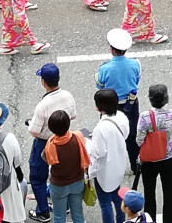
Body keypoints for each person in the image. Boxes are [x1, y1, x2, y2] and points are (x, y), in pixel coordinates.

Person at [29, 64, 77, 223]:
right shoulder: (68, 95)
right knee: (64, 172)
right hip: (65, 139)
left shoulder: (42, 106)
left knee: (37, 177)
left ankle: (43, 212)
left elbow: (34, 132)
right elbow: (73, 116)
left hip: (45, 142)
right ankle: (66, 204)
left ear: (43, 82)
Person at [96, 29, 142, 170]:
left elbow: (100, 85)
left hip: (111, 105)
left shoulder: (105, 68)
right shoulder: (136, 64)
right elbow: (137, 79)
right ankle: (135, 166)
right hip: (131, 103)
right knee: (132, 136)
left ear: (111, 49)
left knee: (109, 135)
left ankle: (112, 167)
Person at [136, 84, 172, 223]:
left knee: (149, 193)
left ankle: (150, 219)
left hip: (149, 160)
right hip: (169, 157)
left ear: (150, 99)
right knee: (169, 193)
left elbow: (139, 139)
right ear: (166, 98)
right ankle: (168, 220)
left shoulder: (145, 116)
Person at [86, 89, 128, 223]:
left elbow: (99, 152)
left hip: (105, 171)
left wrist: (88, 143)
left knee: (105, 204)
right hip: (119, 164)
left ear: (99, 107)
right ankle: (121, 219)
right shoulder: (121, 117)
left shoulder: (100, 128)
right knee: (117, 196)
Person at [43, 110, 88, 223]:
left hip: (59, 185)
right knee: (78, 214)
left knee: (59, 216)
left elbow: (46, 159)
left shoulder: (51, 145)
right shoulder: (77, 137)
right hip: (77, 182)